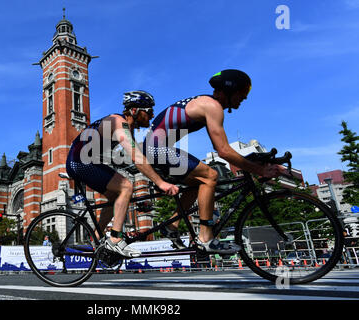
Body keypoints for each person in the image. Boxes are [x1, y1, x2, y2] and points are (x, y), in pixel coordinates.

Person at [143, 69, 283, 254]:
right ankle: (205, 237)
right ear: (230, 89)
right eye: (243, 93)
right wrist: (260, 170)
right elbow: (223, 151)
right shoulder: (212, 107)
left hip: (155, 147)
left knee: (196, 183)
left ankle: (172, 224)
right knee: (210, 176)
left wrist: (254, 162)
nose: (244, 98)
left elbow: (225, 149)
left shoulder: (206, 102)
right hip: (156, 148)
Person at [66, 90, 179, 258]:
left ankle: (96, 241)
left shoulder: (127, 128)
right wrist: (161, 183)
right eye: (148, 111)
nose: (152, 115)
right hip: (79, 162)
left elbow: (132, 158)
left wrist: (157, 177)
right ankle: (115, 240)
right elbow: (136, 157)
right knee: (126, 186)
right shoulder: (119, 122)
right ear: (134, 111)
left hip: (88, 161)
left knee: (114, 196)